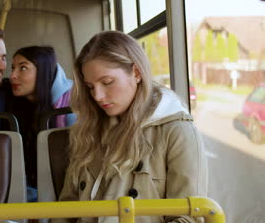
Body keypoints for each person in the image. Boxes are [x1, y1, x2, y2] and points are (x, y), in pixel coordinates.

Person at [54, 31, 207, 223]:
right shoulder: (88, 131)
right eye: (90, 87)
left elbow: (189, 217)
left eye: (107, 82)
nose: (98, 96)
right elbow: (66, 208)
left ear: (136, 73)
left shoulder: (178, 132)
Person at [10, 46, 76, 201]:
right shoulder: (19, 105)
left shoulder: (72, 103)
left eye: (23, 68)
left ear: (43, 71)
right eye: (13, 68)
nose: (12, 75)